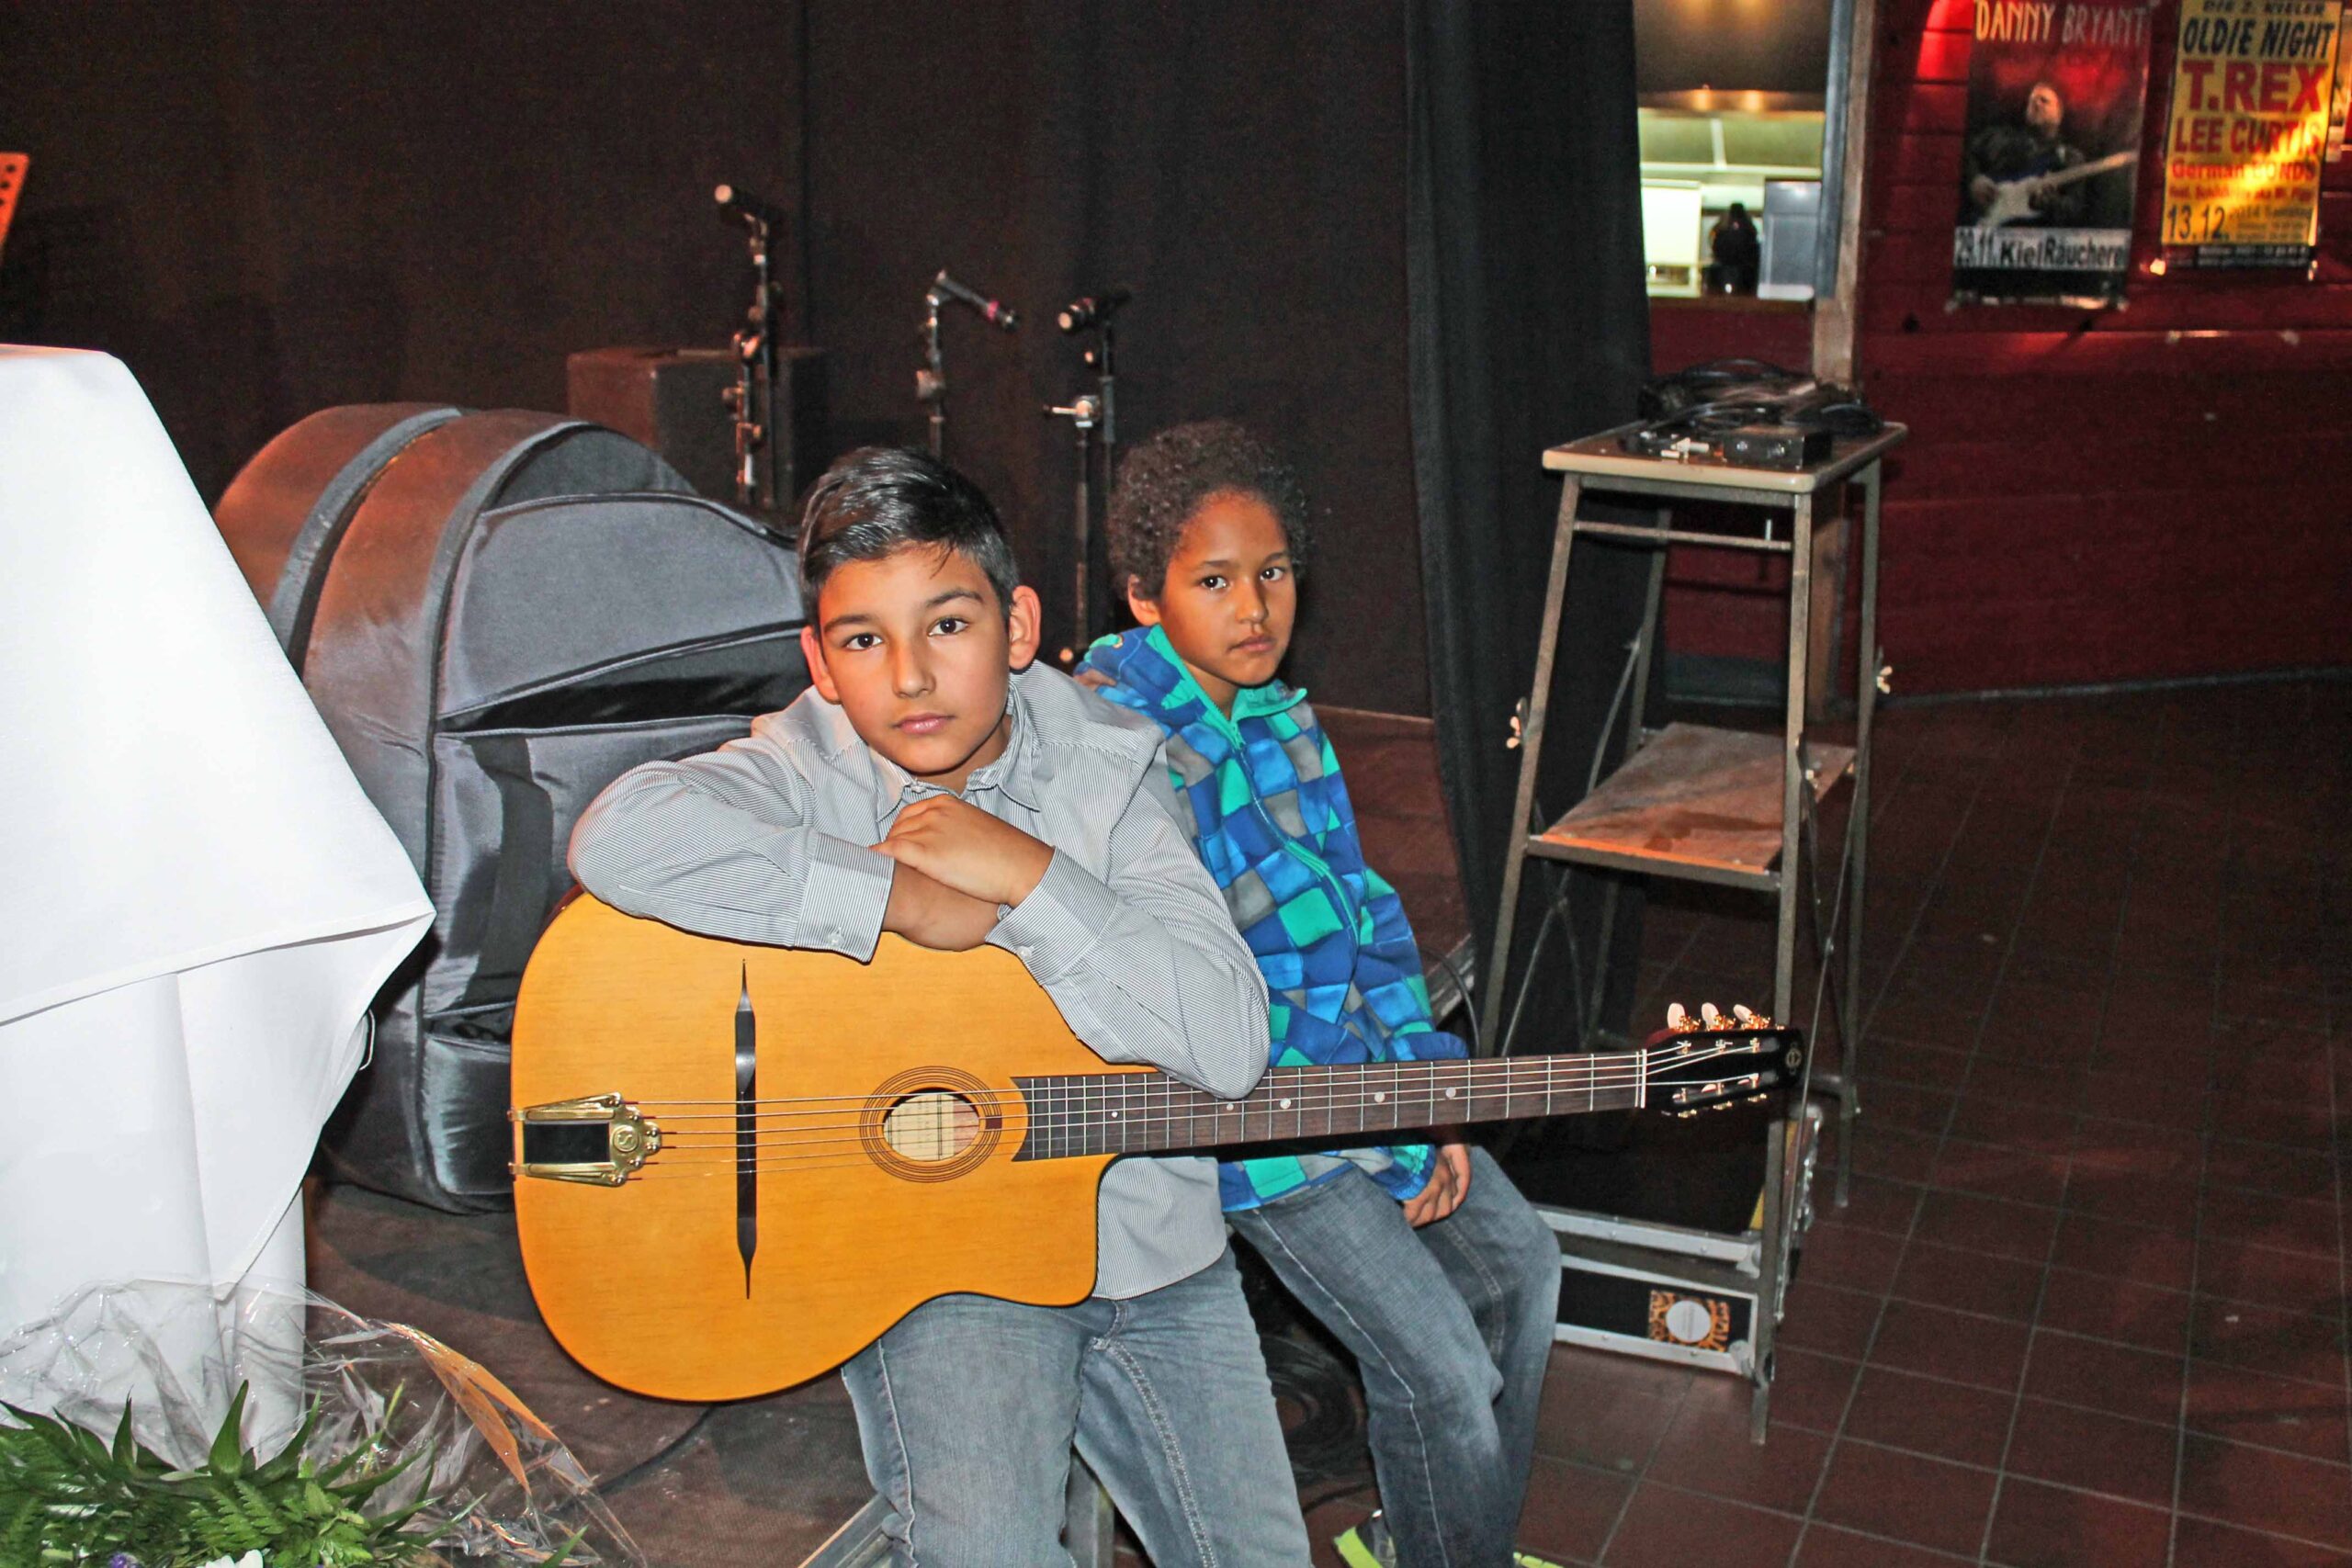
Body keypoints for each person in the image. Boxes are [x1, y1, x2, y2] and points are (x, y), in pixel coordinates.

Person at [569, 446, 1313, 1567]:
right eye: (865, 640)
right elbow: (620, 836)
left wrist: (1029, 877)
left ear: (1017, 627)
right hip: (947, 1257)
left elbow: (1227, 1043)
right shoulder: (806, 762)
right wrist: (901, 902)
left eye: (948, 625)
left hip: (1148, 1240)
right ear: (821, 664)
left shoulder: (1112, 766)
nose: (910, 677)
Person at [1079, 423, 1563, 1568]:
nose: (1254, 608)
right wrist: (1390, 1140)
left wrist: (1431, 1097)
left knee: (1523, 1269)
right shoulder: (1119, 750)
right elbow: (1212, 1020)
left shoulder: (1283, 720)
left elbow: (1369, 919)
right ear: (1145, 597)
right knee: (1441, 1372)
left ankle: (1431, 1542)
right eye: (1214, 582)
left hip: (1358, 1100)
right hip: (1246, 1131)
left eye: (1274, 572)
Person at [1964, 80, 2087, 225]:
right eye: (2032, 101)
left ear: (2058, 115)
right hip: (1985, 226)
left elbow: (2074, 210)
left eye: (2044, 101)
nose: (2037, 104)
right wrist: (1974, 180)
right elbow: (1965, 154)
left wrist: (2052, 203)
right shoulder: (1999, 138)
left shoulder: (2070, 157)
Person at [1707, 201, 1760, 294]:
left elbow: (1716, 246)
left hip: (1726, 271)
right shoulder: (1750, 230)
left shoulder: (1721, 230)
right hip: (1745, 274)